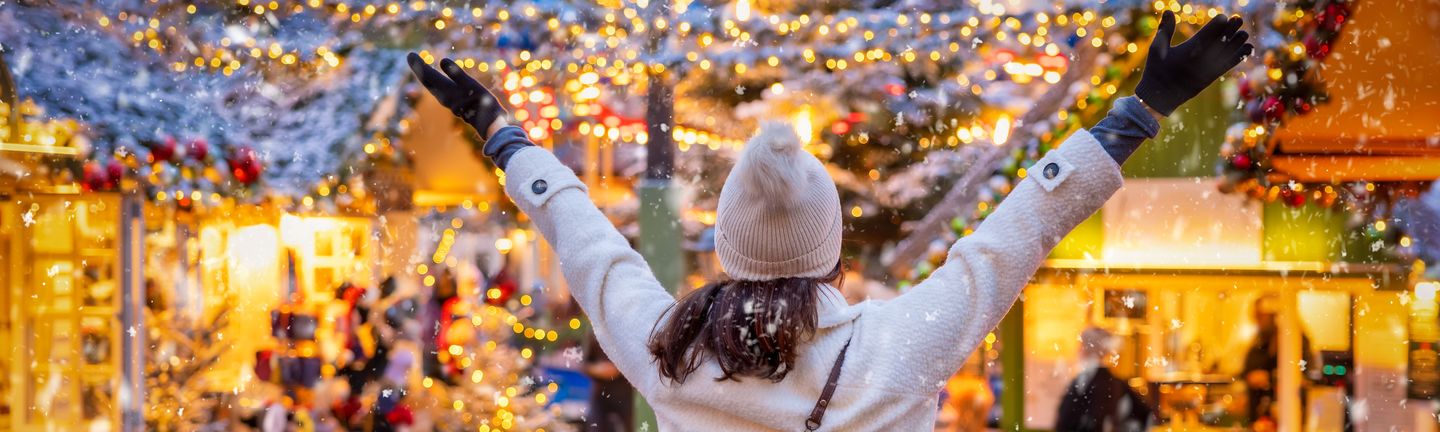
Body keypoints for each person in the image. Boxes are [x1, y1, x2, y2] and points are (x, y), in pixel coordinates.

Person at [407, 10, 1250, 430]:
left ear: (729, 248)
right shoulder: (893, 350)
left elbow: (587, 243)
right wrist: (1138, 112)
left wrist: (502, 131)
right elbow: (1016, 229)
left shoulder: (667, 351)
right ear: (831, 251)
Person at [1056, 327, 1152, 431]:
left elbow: (1098, 422)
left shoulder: (1103, 383)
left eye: (1081, 345)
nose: (1078, 350)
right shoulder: (1093, 379)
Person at [1242, 295, 1313, 426]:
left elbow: (1304, 373)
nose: (1256, 319)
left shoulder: (1294, 339)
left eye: (1261, 315)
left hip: (1285, 410)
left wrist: (1270, 377)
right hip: (1260, 412)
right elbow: (1247, 368)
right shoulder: (1259, 339)